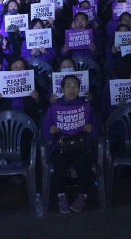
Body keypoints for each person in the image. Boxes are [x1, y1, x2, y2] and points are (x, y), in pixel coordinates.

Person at [42, 74, 97, 214]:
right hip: (61, 145)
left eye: (75, 86)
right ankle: (61, 196)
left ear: (79, 89)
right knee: (59, 165)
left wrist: (91, 128)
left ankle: (82, 196)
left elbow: (97, 125)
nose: (71, 89)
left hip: (81, 144)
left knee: (84, 164)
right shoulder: (55, 106)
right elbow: (45, 128)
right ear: (62, 89)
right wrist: (51, 129)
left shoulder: (85, 105)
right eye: (68, 86)